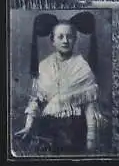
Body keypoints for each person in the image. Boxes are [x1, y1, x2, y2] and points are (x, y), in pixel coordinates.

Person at [14, 11, 104, 155]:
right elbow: (35, 100)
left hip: (75, 130)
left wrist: (91, 139)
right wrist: (28, 126)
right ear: (52, 41)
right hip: (49, 129)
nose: (65, 41)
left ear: (75, 39)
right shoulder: (43, 66)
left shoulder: (83, 67)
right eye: (60, 37)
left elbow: (89, 106)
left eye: (69, 37)